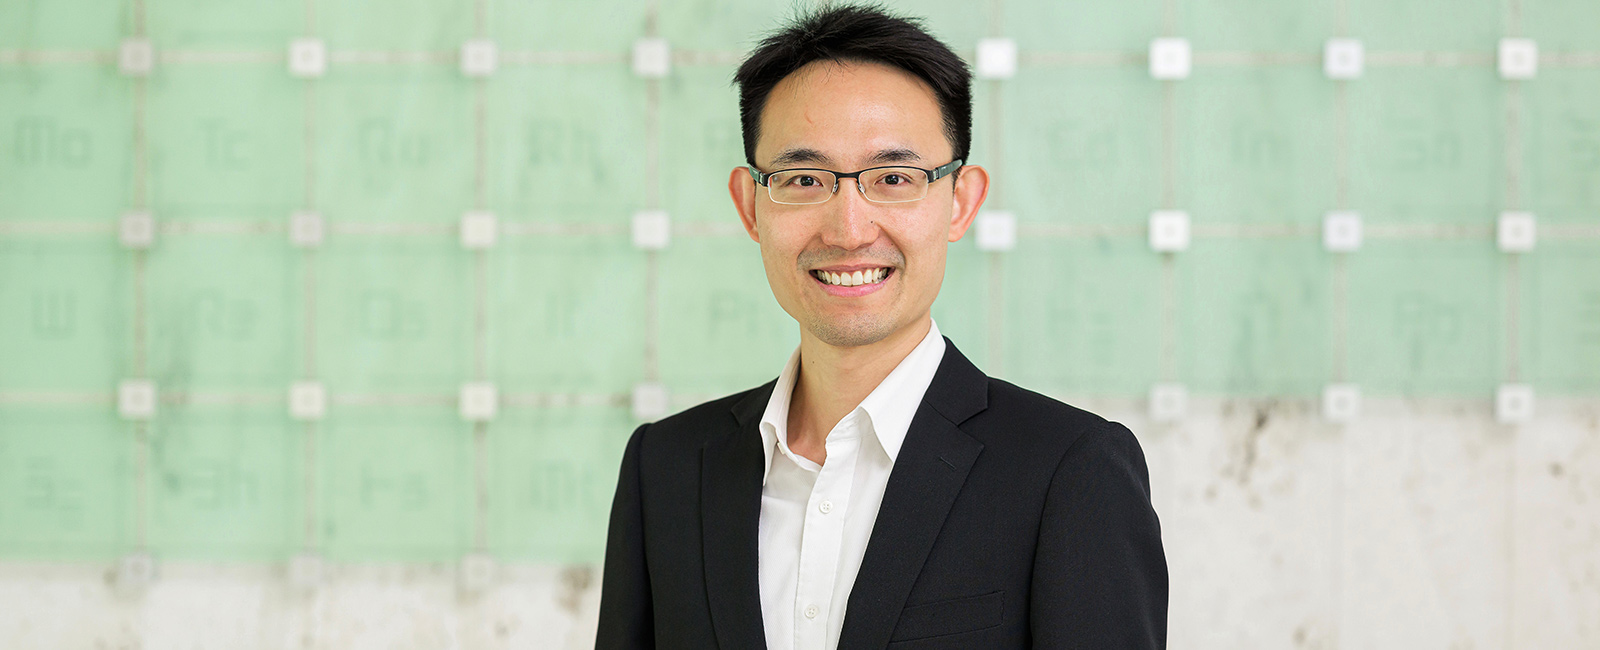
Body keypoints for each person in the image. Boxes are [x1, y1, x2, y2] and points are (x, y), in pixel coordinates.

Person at [596, 4, 1167, 649]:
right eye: (803, 179)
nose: (848, 230)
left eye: (893, 178)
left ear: (962, 201)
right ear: (750, 204)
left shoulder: (1070, 470)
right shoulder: (668, 467)